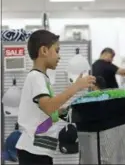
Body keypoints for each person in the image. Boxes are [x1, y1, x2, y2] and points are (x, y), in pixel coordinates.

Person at [16, 30, 96, 165]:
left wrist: (61, 112)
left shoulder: (42, 78)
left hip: (40, 150)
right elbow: (48, 106)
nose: (59, 57)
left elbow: (44, 115)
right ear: (44, 51)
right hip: (34, 151)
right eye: (57, 51)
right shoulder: (36, 77)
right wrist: (76, 87)